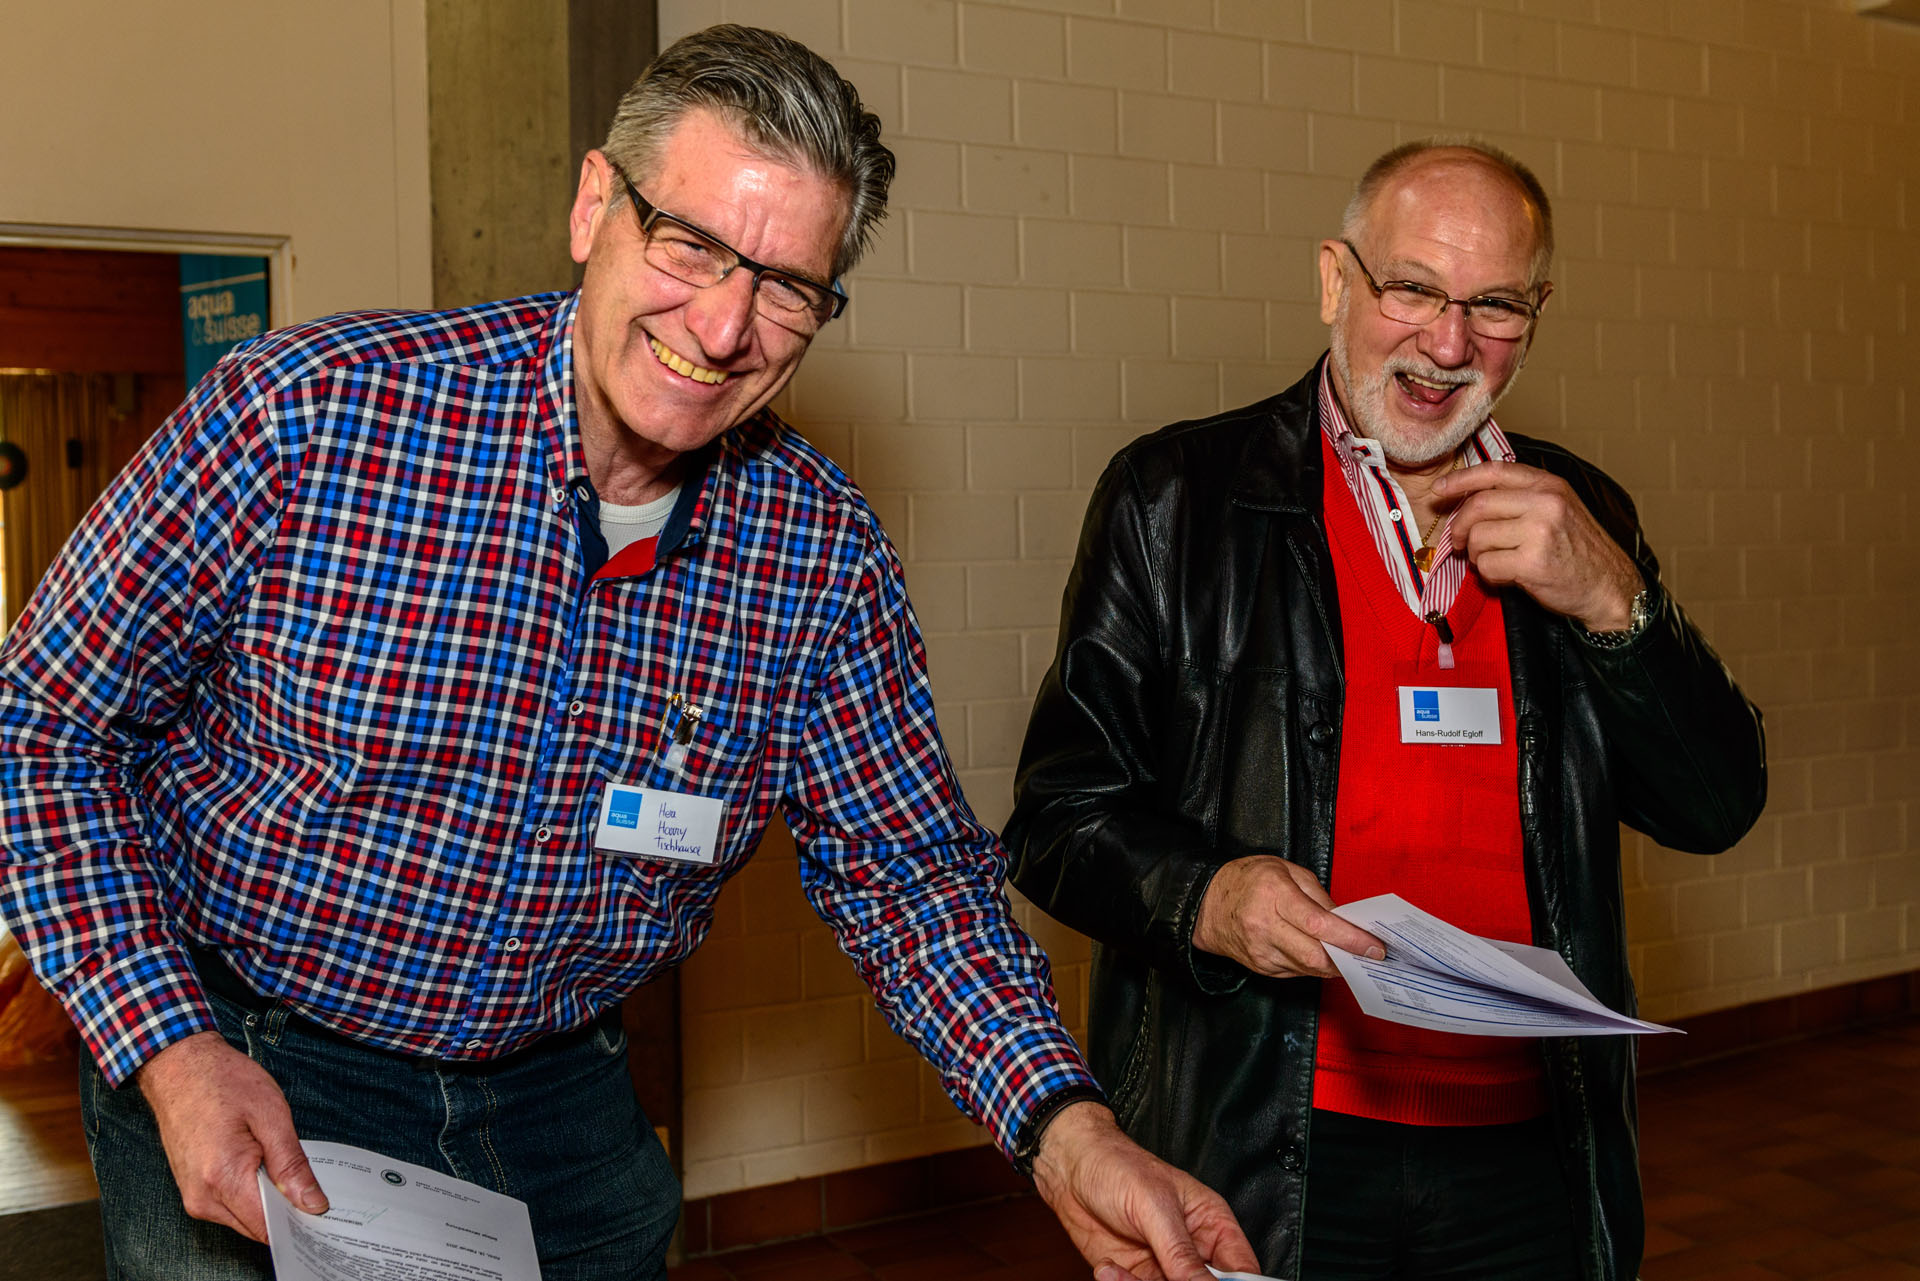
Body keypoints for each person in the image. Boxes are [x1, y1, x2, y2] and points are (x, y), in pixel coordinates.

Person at [0, 25, 1256, 1281]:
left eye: (787, 287)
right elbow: (43, 724)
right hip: (248, 1055)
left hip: (561, 1102)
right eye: (691, 243)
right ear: (594, 203)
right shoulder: (312, 414)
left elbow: (908, 877)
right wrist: (168, 1049)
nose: (722, 325)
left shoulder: (819, 555)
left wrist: (1070, 1134)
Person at [1005, 137, 1767, 1281]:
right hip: (1264, 1137)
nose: (1447, 346)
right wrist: (1209, 897)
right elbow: (1058, 820)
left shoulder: (1583, 516)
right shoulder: (1176, 502)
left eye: (1494, 306)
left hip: (1533, 1153)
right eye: (1411, 288)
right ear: (1335, 280)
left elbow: (1717, 804)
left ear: (1537, 316)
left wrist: (1618, 603)